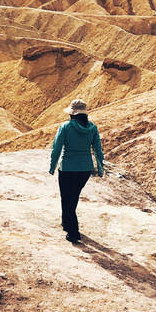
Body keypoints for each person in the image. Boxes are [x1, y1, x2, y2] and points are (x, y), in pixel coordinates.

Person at [48, 98, 104, 243]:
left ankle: (73, 232)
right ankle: (66, 223)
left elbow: (57, 148)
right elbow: (98, 149)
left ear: (72, 114)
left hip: (67, 168)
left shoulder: (65, 127)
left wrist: (52, 166)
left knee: (66, 198)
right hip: (85, 169)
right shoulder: (92, 128)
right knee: (73, 197)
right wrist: (100, 168)